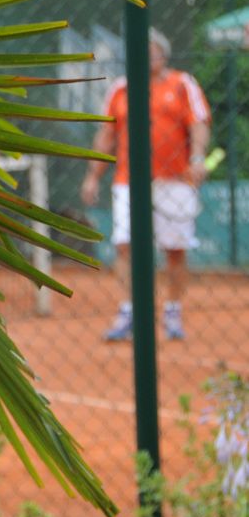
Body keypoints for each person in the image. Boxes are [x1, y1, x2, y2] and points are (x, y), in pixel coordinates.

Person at [80, 27, 212, 341]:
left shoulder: (182, 83)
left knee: (175, 250)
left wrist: (197, 158)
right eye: (143, 51)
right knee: (124, 245)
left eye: (153, 51)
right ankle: (130, 312)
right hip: (129, 181)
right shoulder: (121, 89)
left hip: (175, 182)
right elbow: (106, 135)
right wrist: (93, 176)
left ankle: (172, 313)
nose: (148, 56)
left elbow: (199, 124)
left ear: (164, 55)